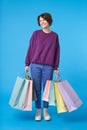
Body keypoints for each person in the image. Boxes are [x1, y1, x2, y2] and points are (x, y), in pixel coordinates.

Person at [25, 12, 60, 121]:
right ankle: (38, 110)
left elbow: (57, 52)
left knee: (47, 89)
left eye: (44, 20)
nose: (42, 22)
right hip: (35, 65)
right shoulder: (35, 34)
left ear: (49, 20)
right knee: (37, 89)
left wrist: (55, 67)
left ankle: (45, 110)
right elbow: (30, 48)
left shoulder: (54, 36)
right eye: (40, 21)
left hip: (48, 66)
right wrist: (27, 63)